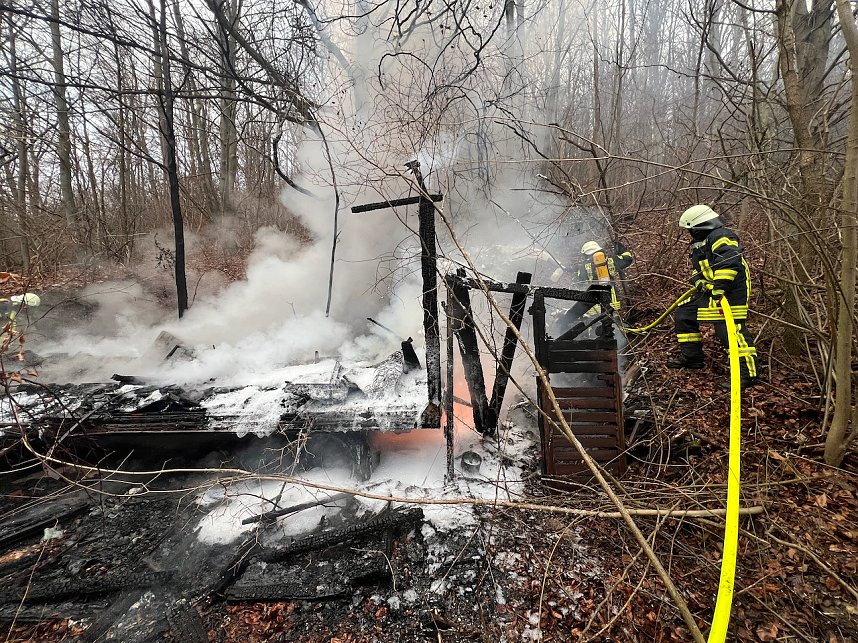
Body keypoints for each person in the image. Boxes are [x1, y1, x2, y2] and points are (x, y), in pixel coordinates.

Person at [667, 204, 758, 390]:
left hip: (731, 292)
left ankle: (748, 374)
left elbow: (729, 264)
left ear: (700, 227)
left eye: (691, 230)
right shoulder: (701, 243)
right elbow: (697, 270)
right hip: (710, 291)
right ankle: (693, 358)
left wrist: (719, 288)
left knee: (730, 332)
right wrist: (699, 282)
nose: (689, 233)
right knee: (684, 315)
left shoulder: (722, 236)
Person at [551, 240, 633, 337]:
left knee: (595, 330)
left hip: (593, 306)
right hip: (612, 303)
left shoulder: (584, 267)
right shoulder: (609, 259)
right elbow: (627, 259)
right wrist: (622, 250)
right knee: (613, 327)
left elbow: (579, 283)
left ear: (586, 254)